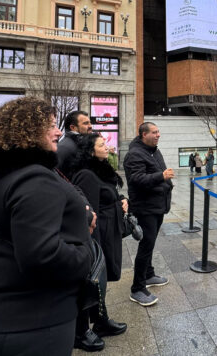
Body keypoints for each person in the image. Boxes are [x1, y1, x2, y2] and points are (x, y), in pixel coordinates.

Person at [0, 97, 93, 356]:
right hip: (33, 320)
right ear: (28, 130)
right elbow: (43, 256)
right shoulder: (34, 177)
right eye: (50, 125)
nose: (59, 131)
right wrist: (85, 251)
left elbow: (13, 229)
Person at [70, 134, 129, 349]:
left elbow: (110, 194)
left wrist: (122, 200)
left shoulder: (100, 169)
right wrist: (92, 247)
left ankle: (101, 321)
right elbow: (89, 215)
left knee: (100, 280)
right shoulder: (86, 175)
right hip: (98, 234)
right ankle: (82, 331)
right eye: (102, 145)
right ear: (91, 151)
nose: (108, 147)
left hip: (109, 230)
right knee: (92, 279)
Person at [123, 122, 174, 306]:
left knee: (150, 243)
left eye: (158, 131)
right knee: (146, 246)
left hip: (157, 205)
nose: (158, 135)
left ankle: (149, 274)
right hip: (145, 208)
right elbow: (137, 180)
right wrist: (162, 177)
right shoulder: (134, 155)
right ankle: (137, 288)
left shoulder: (153, 150)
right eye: (154, 132)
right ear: (144, 134)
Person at [58, 110, 93, 177]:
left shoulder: (83, 144)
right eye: (86, 123)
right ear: (73, 128)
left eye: (90, 123)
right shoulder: (64, 148)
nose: (90, 126)